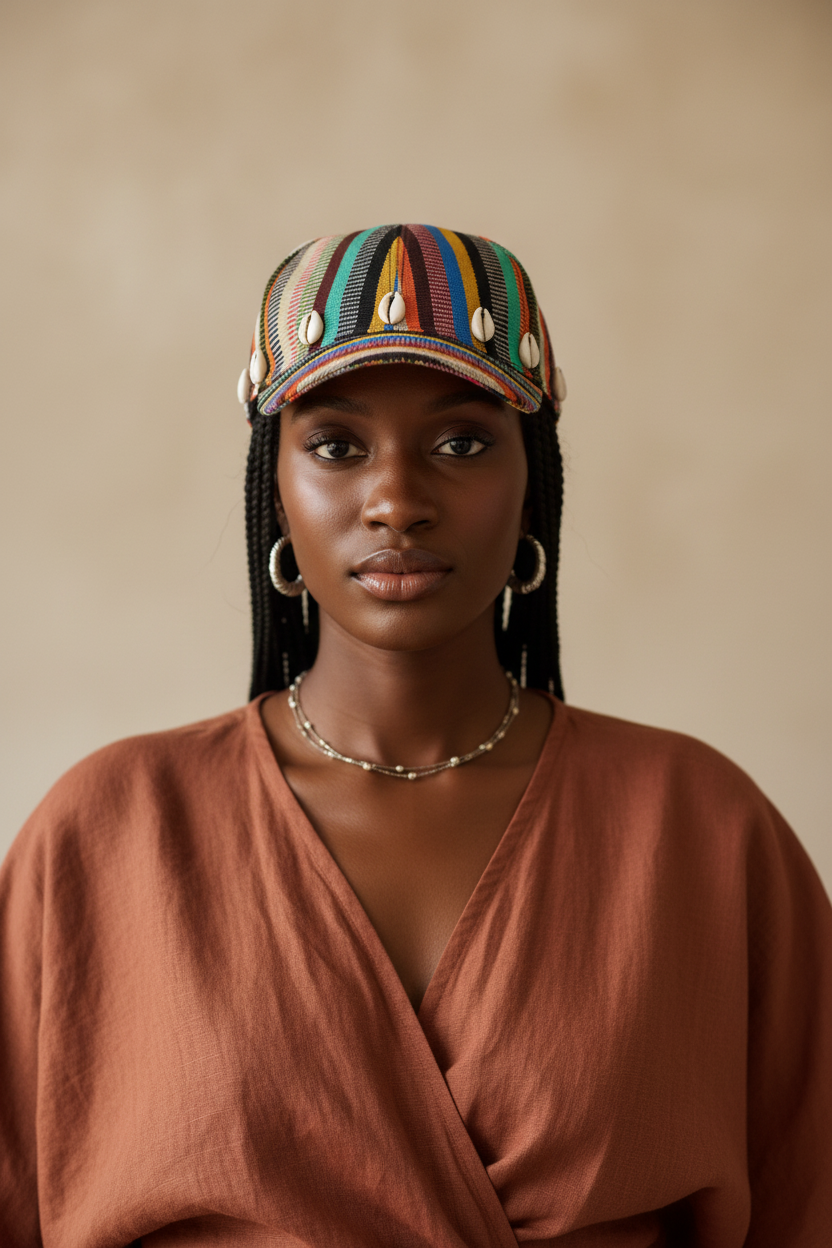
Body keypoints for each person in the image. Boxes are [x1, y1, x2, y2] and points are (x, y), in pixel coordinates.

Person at [0, 224, 829, 1247]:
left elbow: (807, 1199)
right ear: (276, 494)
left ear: (534, 482)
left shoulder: (701, 824)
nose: (396, 500)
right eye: (338, 446)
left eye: (463, 443)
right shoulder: (108, 830)